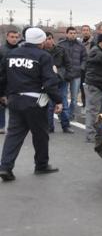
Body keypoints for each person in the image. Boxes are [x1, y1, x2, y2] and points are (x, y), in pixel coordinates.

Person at [0, 27, 63, 181]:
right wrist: (58, 100)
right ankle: (41, 165)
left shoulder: (11, 55)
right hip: (35, 102)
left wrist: (2, 94)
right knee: (40, 134)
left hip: (14, 100)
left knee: (14, 135)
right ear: (40, 41)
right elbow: (49, 82)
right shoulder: (43, 56)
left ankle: (5, 167)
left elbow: (2, 77)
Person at [44, 32, 73, 133]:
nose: (49, 40)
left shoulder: (61, 50)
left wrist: (68, 76)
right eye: (46, 38)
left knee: (63, 103)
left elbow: (68, 64)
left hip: (61, 79)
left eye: (50, 38)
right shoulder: (40, 52)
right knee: (49, 105)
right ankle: (49, 126)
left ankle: (66, 125)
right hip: (47, 81)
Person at [59, 26, 86, 120]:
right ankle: (63, 115)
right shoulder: (61, 45)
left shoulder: (81, 46)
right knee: (63, 96)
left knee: (74, 99)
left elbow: (84, 59)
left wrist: (81, 68)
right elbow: (57, 59)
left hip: (76, 75)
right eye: (71, 33)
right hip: (64, 75)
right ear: (67, 34)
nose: (73, 35)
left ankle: (70, 115)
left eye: (74, 33)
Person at [0, 29, 21, 134]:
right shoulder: (1, 50)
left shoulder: (21, 50)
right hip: (3, 80)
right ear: (7, 37)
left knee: (15, 104)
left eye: (16, 37)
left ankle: (16, 126)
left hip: (16, 81)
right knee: (2, 104)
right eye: (12, 37)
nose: (14, 39)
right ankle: (1, 126)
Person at [80, 24, 93, 108]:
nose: (85, 32)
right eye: (84, 30)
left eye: (87, 30)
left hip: (91, 70)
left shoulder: (94, 43)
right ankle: (84, 105)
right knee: (82, 89)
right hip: (81, 70)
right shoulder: (79, 43)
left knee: (90, 89)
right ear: (81, 32)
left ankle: (90, 106)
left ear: (90, 31)